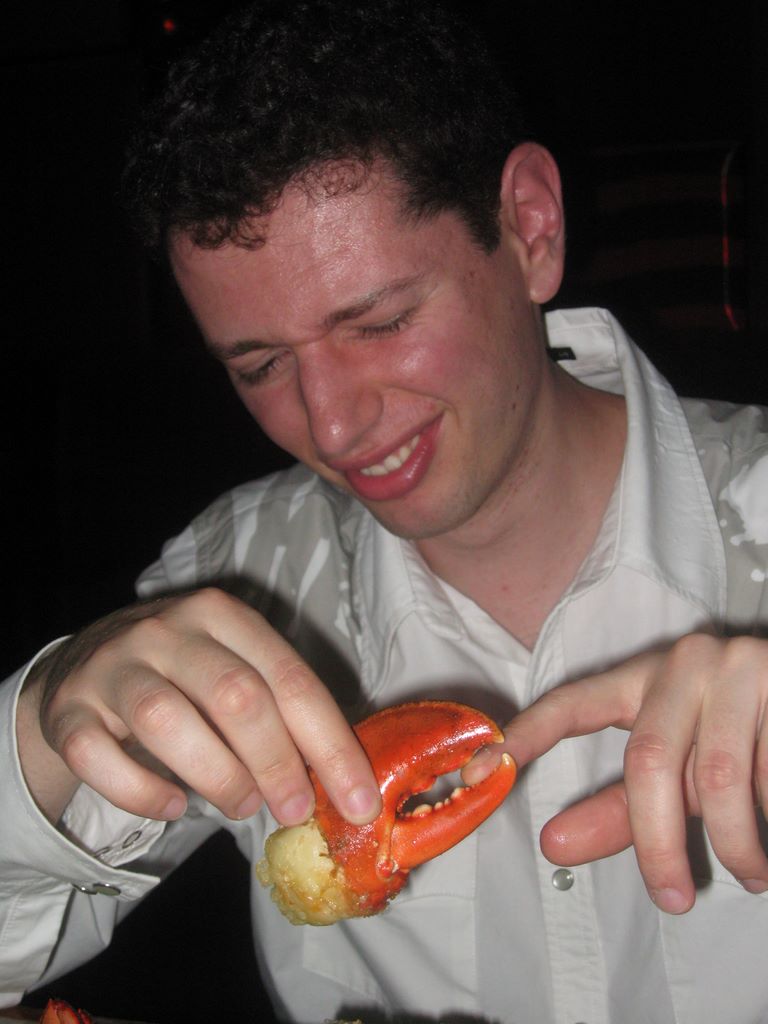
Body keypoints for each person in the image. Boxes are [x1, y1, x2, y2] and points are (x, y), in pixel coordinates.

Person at [2, 0, 768, 1020]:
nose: (330, 422)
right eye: (260, 366)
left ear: (531, 228)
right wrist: (38, 727)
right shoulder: (240, 579)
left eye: (379, 322)